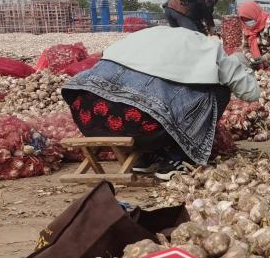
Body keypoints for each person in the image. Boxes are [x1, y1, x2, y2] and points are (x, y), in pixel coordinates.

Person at [61, 26, 260, 180]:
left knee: (153, 90)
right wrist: (241, 65)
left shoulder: (143, 36)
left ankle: (145, 157)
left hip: (88, 116)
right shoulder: (207, 48)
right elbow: (250, 93)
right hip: (140, 126)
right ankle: (177, 159)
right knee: (218, 89)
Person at [163, 0, 234, 35]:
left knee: (180, 38)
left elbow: (199, 11)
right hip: (181, 11)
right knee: (195, 38)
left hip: (169, 8)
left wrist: (203, 28)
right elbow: (207, 10)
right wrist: (211, 29)